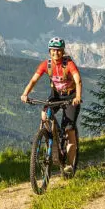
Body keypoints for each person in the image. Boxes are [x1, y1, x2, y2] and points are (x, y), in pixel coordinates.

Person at [21, 37, 82, 175]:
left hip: (71, 97)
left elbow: (78, 80)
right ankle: (48, 137)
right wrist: (25, 94)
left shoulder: (69, 64)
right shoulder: (46, 65)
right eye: (53, 50)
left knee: (69, 131)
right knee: (44, 115)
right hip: (56, 96)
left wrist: (78, 97)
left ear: (63, 51)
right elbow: (33, 80)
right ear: (49, 52)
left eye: (59, 50)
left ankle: (69, 165)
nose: (56, 53)